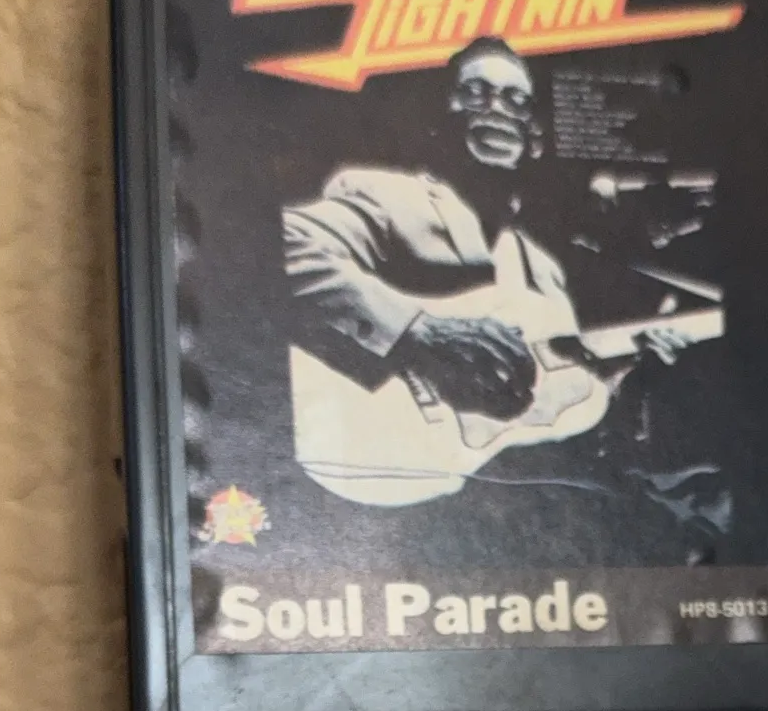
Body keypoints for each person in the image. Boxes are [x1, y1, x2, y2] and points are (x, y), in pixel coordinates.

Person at [281, 37, 692, 434]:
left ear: (533, 135)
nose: (497, 108)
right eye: (475, 93)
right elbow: (289, 244)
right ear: (441, 117)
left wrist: (627, 375)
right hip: (385, 431)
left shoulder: (541, 266)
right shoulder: (389, 195)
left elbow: (550, 397)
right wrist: (419, 331)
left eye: (516, 100)